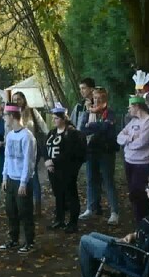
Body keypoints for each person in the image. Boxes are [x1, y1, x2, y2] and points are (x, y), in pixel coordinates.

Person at [0, 104, 37, 253]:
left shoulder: (27, 136)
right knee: (11, 210)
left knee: (25, 211)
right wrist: (4, 177)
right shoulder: (10, 135)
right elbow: (7, 158)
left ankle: (29, 241)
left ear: (12, 116)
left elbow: (28, 161)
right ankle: (13, 239)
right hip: (11, 179)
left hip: (22, 180)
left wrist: (23, 182)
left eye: (5, 116)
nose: (4, 119)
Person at [43, 103, 87, 234]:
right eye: (53, 118)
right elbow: (45, 147)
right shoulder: (52, 132)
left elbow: (69, 152)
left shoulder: (71, 133)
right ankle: (59, 219)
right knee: (58, 195)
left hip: (67, 170)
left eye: (56, 118)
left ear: (63, 118)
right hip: (53, 170)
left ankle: (73, 222)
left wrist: (53, 161)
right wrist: (46, 161)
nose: (53, 120)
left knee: (71, 194)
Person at [79, 87, 120, 225]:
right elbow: (82, 129)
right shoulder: (87, 113)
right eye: (95, 97)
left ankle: (114, 211)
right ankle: (92, 208)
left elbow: (107, 127)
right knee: (91, 180)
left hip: (106, 151)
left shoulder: (110, 113)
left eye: (100, 98)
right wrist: (96, 126)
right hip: (91, 151)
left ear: (105, 98)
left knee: (108, 181)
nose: (96, 100)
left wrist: (92, 126)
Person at [117, 94, 149, 224]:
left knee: (142, 196)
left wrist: (128, 141)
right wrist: (130, 138)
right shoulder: (133, 121)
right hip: (130, 162)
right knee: (134, 194)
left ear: (137, 106)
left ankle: (146, 223)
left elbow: (141, 143)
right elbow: (119, 138)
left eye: (130, 106)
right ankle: (139, 223)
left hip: (144, 164)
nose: (128, 109)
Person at [12, 91, 48, 213]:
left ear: (23, 99)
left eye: (19, 99)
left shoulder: (32, 111)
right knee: (19, 175)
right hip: (17, 149)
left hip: (32, 147)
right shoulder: (12, 113)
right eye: (14, 99)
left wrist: (48, 139)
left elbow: (43, 126)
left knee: (33, 174)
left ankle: (36, 205)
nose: (17, 101)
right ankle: (23, 204)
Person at [72, 77, 97, 213]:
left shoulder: (100, 104)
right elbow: (74, 123)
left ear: (91, 89)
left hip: (99, 145)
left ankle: (112, 210)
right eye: (80, 88)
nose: (81, 91)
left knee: (103, 178)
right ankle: (91, 206)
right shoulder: (79, 106)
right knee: (89, 177)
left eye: (84, 88)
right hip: (83, 145)